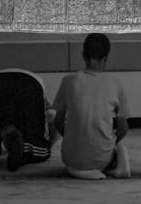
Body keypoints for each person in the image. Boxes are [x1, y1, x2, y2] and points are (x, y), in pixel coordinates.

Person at [53, 33, 130, 180]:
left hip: (70, 160)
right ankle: (115, 166)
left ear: (83, 56)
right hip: (102, 159)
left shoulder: (68, 81)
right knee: (119, 147)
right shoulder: (115, 84)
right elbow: (123, 129)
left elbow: (58, 122)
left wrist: (72, 136)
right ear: (106, 58)